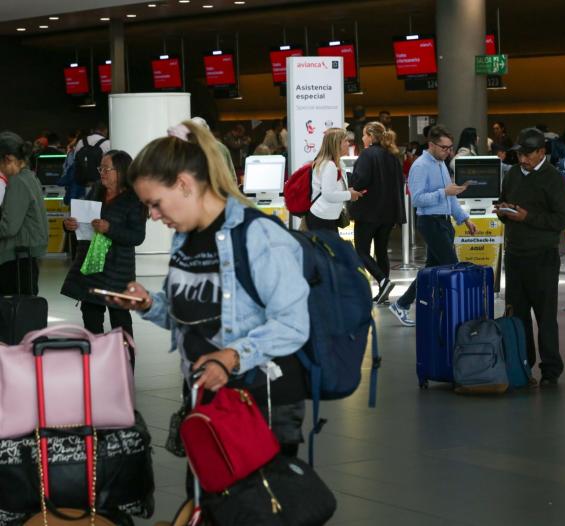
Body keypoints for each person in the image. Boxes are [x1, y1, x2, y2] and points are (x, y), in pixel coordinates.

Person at [113, 119, 311, 462]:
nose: (154, 215)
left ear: (185, 184)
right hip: (207, 398)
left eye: (156, 203)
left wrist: (231, 357)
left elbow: (293, 324)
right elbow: (192, 317)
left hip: (259, 401)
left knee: (254, 511)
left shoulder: (259, 235)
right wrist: (148, 304)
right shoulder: (185, 239)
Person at [494, 127, 565, 387]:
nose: (522, 159)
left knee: (545, 316)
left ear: (541, 152)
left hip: (542, 257)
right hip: (514, 255)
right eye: (520, 154)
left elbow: (562, 220)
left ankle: (550, 370)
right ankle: (522, 364)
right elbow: (505, 201)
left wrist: (528, 217)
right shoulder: (513, 174)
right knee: (518, 316)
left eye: (528, 154)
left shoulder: (553, 179)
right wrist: (502, 211)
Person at [60, 150, 146, 367]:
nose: (102, 173)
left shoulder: (134, 199)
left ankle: (125, 373)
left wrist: (110, 228)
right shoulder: (96, 191)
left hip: (117, 272)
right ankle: (97, 371)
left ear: (122, 172)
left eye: (107, 169)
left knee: (121, 327)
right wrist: (70, 225)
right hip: (91, 268)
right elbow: (85, 220)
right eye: (101, 168)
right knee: (91, 324)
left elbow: (137, 237)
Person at [389, 125, 477, 327]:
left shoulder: (440, 164)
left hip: (444, 221)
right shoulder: (420, 166)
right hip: (430, 222)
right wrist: (443, 193)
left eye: (450, 148)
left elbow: (451, 197)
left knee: (431, 269)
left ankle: (402, 304)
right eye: (444, 148)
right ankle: (455, 309)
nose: (448, 152)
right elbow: (417, 199)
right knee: (452, 267)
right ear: (431, 145)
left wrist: (464, 218)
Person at [349, 122, 406, 304]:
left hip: (368, 212)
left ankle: (383, 280)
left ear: (371, 136)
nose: (363, 139)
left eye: (365, 135)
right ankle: (384, 292)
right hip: (388, 214)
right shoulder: (392, 156)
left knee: (361, 251)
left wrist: (349, 178)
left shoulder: (367, 155)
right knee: (381, 251)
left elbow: (360, 181)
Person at [0, 131, 49, 295]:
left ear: (7, 159)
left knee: (12, 311)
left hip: (16, 258)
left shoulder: (17, 181)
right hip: (27, 257)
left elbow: (9, 228)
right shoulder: (30, 177)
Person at [307, 128, 363, 231]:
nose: (348, 144)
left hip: (326, 216)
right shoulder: (329, 165)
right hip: (322, 218)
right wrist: (350, 195)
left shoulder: (335, 163)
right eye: (345, 141)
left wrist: (348, 191)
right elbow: (329, 194)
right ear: (336, 144)